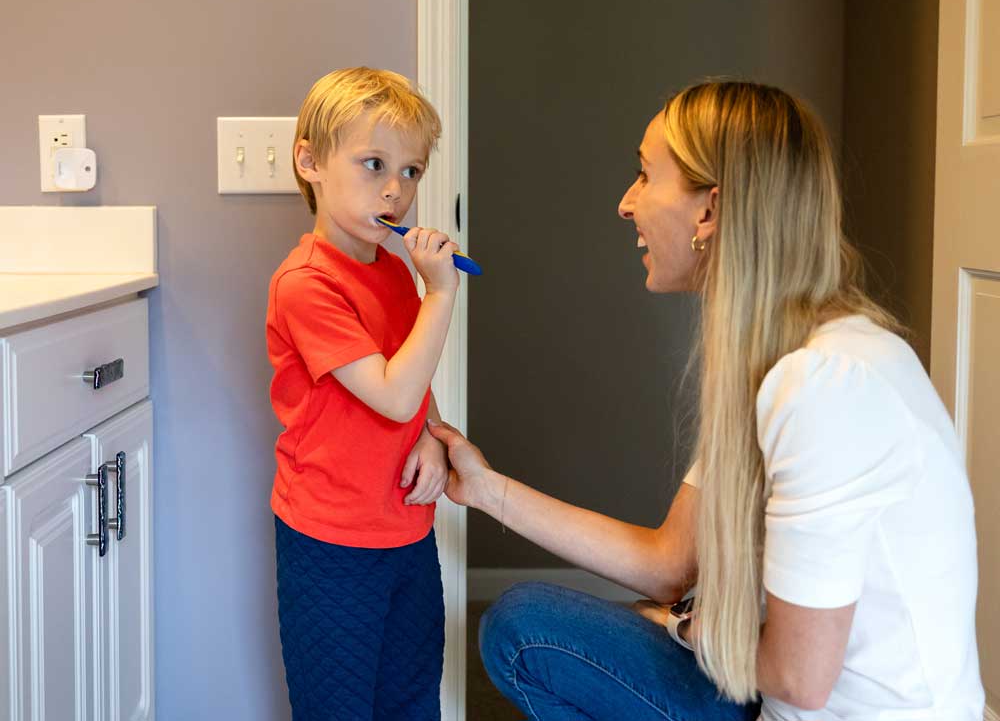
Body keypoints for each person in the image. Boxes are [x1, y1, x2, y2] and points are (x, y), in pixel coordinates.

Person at [429, 80, 984, 720]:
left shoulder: (825, 384)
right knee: (527, 626)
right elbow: (668, 562)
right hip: (771, 694)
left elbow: (799, 678)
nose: (625, 203)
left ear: (710, 211)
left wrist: (681, 625)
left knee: (531, 635)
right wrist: (484, 487)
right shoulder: (786, 359)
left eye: (644, 176)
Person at [265, 67, 460, 720]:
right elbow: (391, 394)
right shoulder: (306, 285)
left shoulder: (395, 274)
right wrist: (442, 293)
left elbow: (415, 385)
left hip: (405, 527)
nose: (397, 190)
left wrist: (434, 440)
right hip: (329, 540)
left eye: (412, 172)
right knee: (338, 709)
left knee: (410, 701)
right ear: (310, 162)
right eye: (375, 163)